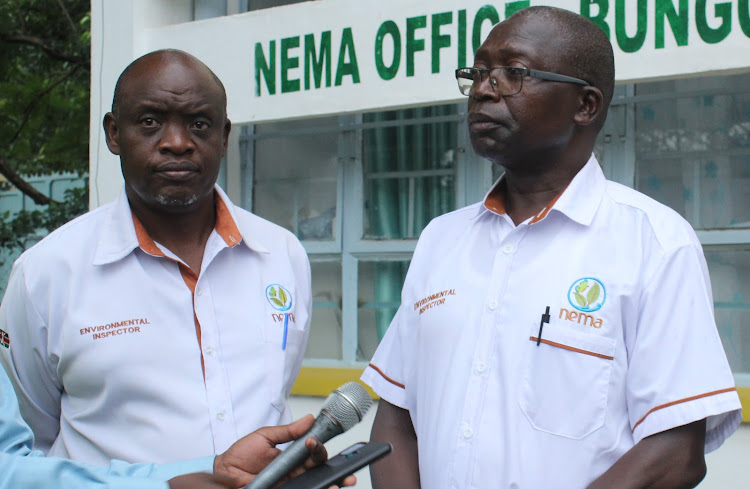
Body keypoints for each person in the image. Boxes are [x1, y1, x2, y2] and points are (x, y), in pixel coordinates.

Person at [361, 6, 742, 489]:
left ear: (585, 105)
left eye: (512, 74)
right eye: (477, 73)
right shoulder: (442, 238)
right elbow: (396, 417)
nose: (483, 89)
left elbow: (674, 453)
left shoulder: (654, 242)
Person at [0, 49, 311, 465]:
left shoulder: (281, 254)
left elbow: (275, 393)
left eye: (199, 124)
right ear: (113, 133)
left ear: (223, 136)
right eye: (149, 122)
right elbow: (24, 446)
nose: (177, 143)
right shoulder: (47, 274)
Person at [0, 367, 355, 489]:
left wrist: (214, 472)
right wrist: (165, 486)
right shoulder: (45, 267)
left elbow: (16, 462)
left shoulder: (283, 251)